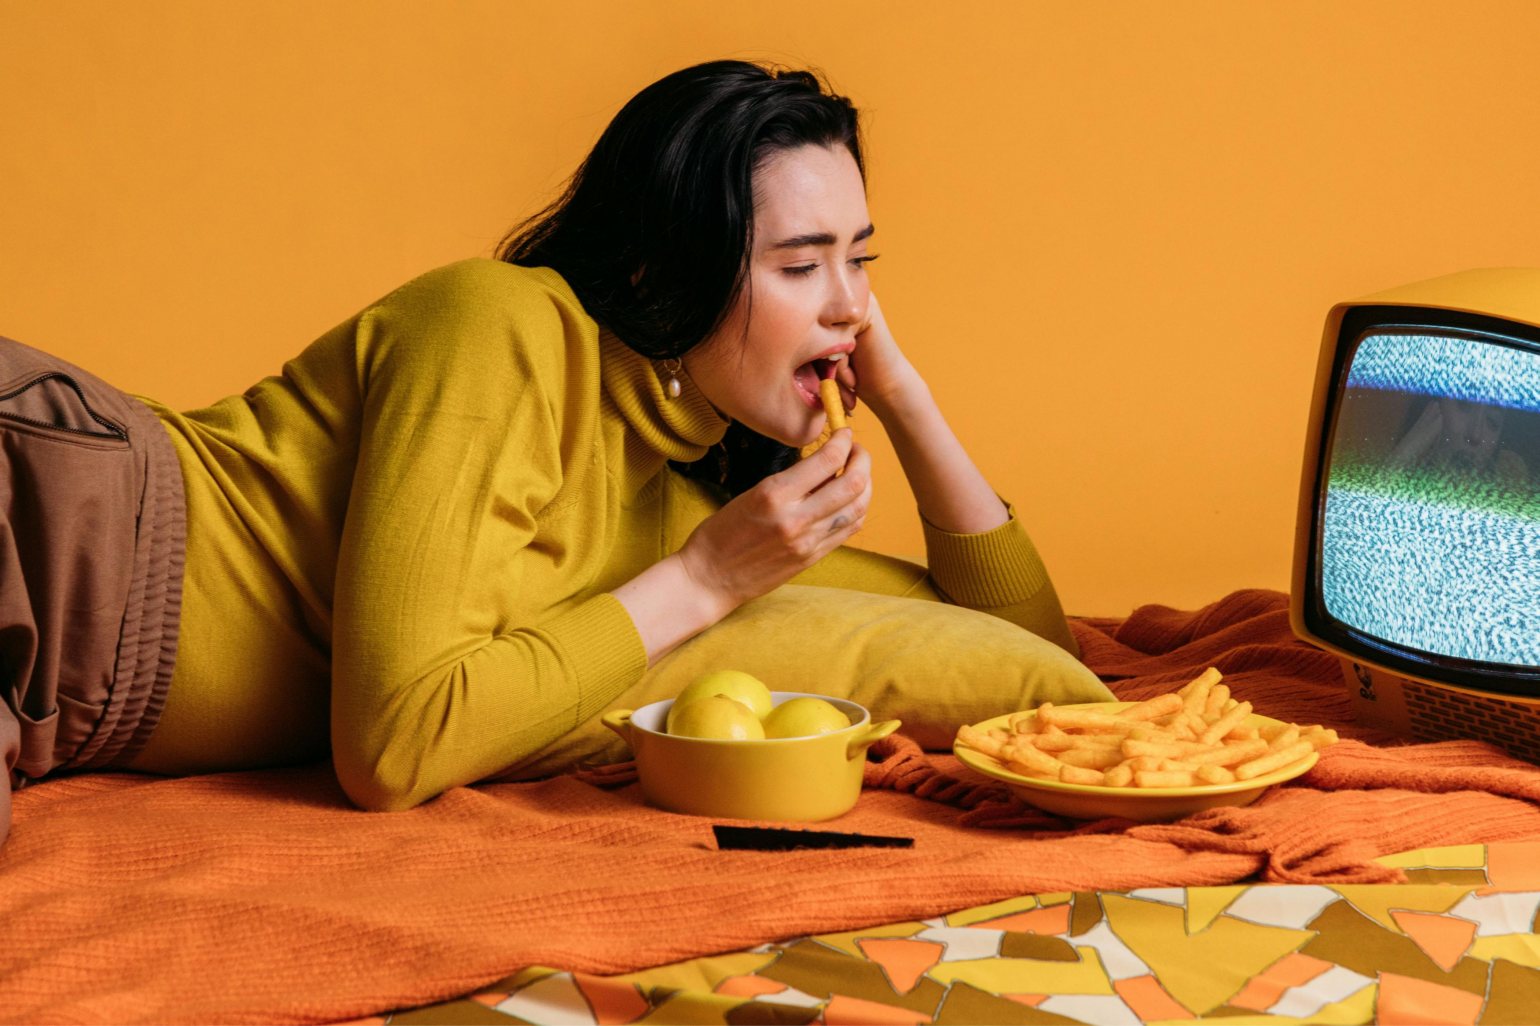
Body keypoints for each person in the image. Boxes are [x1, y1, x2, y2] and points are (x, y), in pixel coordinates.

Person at [0, 60, 1096, 840]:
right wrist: (705, 582)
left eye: (861, 261)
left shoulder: (684, 511)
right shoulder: (500, 328)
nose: (849, 307)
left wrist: (903, 396)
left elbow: (1031, 657)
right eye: (801, 266)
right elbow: (391, 750)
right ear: (657, 272)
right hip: (52, 532)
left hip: (54, 691)